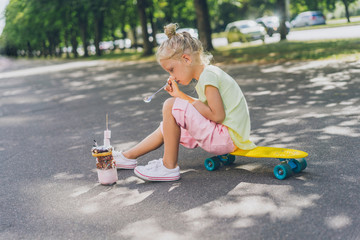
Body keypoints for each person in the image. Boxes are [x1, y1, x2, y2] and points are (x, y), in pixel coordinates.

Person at [113, 23, 256, 181]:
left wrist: (180, 97)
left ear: (186, 59)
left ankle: (169, 167)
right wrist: (180, 96)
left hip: (226, 138)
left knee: (170, 105)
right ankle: (127, 157)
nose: (171, 76)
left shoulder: (208, 76)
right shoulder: (209, 74)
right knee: (168, 126)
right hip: (228, 136)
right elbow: (207, 110)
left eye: (171, 69)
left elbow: (217, 115)